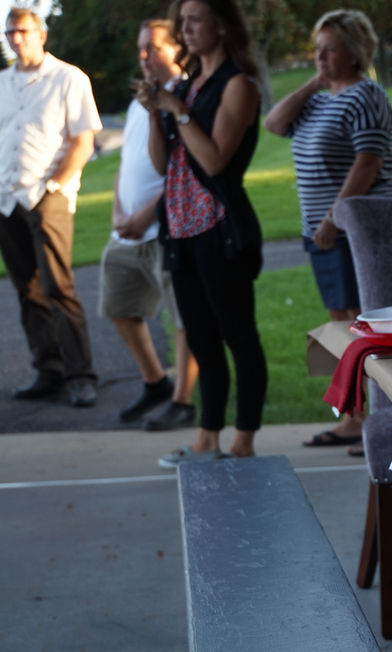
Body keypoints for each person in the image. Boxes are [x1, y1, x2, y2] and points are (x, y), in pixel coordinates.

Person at [264, 8, 392, 450]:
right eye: (318, 49)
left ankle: (381, 420)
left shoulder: (367, 95)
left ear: (355, 52)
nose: (321, 57)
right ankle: (356, 416)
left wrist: (334, 217)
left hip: (359, 227)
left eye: (331, 50)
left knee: (366, 324)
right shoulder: (318, 99)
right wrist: (315, 82)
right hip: (324, 231)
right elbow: (274, 123)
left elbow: (368, 163)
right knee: (341, 323)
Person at [132, 0, 266, 467]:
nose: (185, 29)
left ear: (221, 26)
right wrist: (156, 112)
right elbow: (162, 164)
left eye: (194, 20)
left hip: (220, 228)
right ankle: (207, 438)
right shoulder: (188, 85)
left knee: (238, 336)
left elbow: (213, 161)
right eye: (182, 22)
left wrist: (175, 108)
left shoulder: (238, 85)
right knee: (202, 341)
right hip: (181, 230)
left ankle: (243, 442)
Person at [100, 18, 199, 430]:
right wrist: (118, 214)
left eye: (153, 48)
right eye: (141, 48)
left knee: (184, 318)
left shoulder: (185, 96)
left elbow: (186, 170)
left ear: (177, 50)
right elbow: (127, 164)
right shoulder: (137, 102)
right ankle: (155, 382)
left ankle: (182, 401)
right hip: (126, 231)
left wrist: (146, 215)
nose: (144, 56)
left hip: (167, 230)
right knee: (118, 307)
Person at [0, 8, 102, 407]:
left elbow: (83, 142)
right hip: (6, 200)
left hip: (47, 196)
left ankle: (81, 375)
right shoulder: (3, 83)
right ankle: (49, 370)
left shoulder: (68, 78)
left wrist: (55, 185)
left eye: (23, 31)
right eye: (10, 32)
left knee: (58, 286)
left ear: (41, 34)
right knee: (27, 290)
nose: (16, 38)